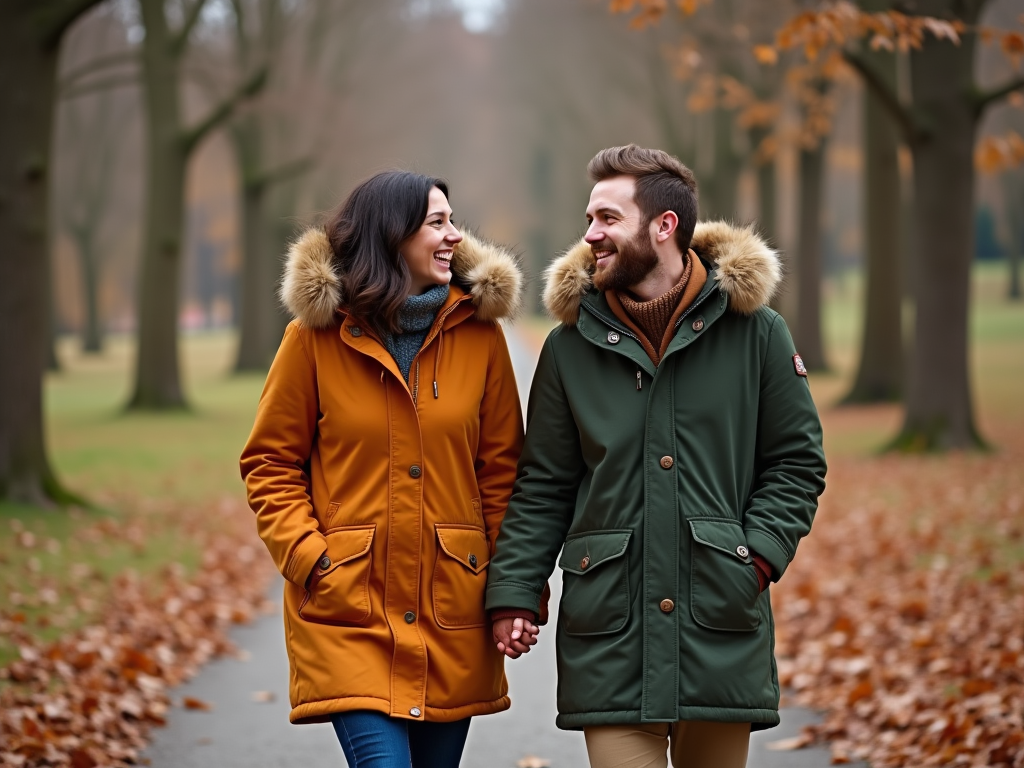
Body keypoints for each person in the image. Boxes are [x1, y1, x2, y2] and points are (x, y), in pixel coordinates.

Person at [486, 145, 827, 768]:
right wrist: (515, 589)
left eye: (608, 219)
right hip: (610, 632)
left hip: (720, 624)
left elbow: (797, 462)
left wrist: (756, 556)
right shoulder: (570, 349)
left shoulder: (758, 333)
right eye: (590, 219)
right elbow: (544, 484)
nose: (591, 235)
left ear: (664, 226)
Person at [241, 170, 529, 768]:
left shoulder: (482, 336)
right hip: (350, 608)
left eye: (453, 220)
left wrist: (506, 589)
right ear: (391, 236)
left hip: (454, 610)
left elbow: (502, 473)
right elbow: (269, 462)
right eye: (437, 223)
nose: (454, 236)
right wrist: (310, 559)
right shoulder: (314, 339)